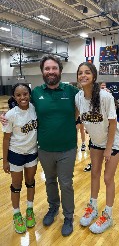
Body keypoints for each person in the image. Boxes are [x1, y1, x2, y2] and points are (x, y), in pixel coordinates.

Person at [1, 55, 79, 236]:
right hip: (43, 149)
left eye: (54, 68)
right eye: (47, 69)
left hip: (67, 148)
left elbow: (81, 108)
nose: (51, 72)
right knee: (50, 181)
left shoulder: (71, 91)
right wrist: (5, 112)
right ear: (42, 72)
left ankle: (68, 216)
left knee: (66, 184)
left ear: (60, 70)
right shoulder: (36, 92)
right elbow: (20, 104)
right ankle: (53, 208)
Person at [75, 62, 119, 234]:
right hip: (95, 142)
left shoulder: (105, 97)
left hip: (114, 142)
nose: (83, 75)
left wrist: (108, 149)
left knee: (107, 178)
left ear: (94, 76)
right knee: (94, 174)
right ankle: (93, 207)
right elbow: (75, 116)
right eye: (80, 73)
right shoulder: (78, 97)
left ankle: (108, 215)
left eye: (87, 72)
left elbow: (112, 123)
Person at [2, 83, 38, 234]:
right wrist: (5, 160)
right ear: (14, 97)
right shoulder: (11, 115)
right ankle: (16, 213)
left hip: (32, 152)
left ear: (29, 94)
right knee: (16, 185)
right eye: (18, 95)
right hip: (16, 154)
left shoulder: (36, 109)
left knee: (30, 182)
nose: (22, 97)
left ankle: (29, 210)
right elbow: (6, 139)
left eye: (25, 94)